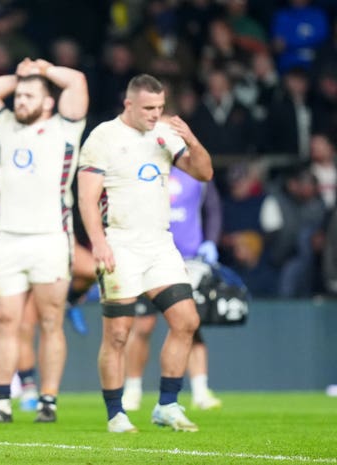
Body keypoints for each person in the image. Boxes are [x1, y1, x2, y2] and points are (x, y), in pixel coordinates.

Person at [77, 73, 213, 433]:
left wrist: (191, 139)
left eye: (160, 107)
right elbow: (87, 198)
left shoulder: (166, 134)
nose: (156, 114)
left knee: (186, 321)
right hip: (120, 242)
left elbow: (204, 172)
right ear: (129, 105)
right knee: (118, 334)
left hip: (160, 244)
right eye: (149, 108)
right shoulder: (103, 138)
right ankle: (116, 414)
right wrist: (98, 242)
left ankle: (167, 405)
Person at [0, 56, 88, 423]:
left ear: (48, 102)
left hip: (51, 238)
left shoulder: (66, 128)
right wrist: (22, 77)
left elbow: (78, 82)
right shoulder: (7, 128)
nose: (20, 101)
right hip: (9, 239)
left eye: (29, 96)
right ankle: (2, 402)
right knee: (5, 320)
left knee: (51, 320)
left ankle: (48, 401)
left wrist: (42, 72)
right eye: (18, 96)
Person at [122, 166, 223, 412]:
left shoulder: (194, 171)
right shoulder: (144, 167)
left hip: (189, 259)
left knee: (190, 323)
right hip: (150, 256)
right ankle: (132, 390)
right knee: (143, 325)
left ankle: (200, 390)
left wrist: (211, 240)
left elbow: (213, 210)